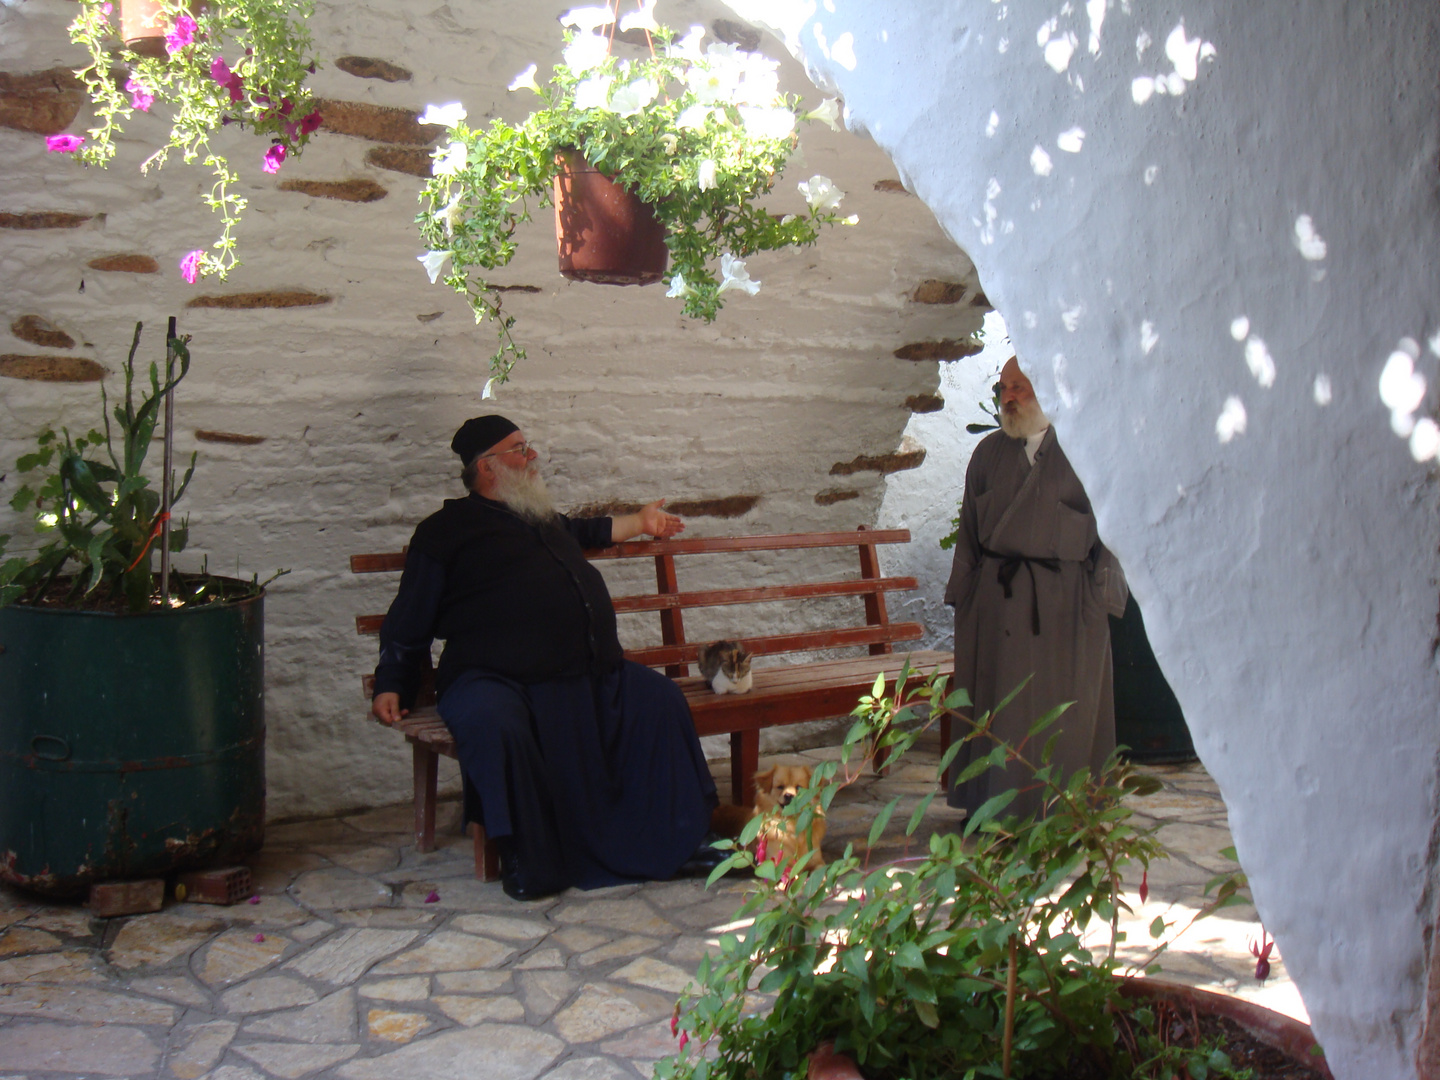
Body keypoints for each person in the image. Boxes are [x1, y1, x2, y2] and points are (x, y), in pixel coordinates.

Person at [371, 415, 724, 900]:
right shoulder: (444, 531)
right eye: (520, 449)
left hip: (585, 671)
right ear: (488, 466)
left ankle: (684, 840)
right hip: (495, 678)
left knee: (658, 700)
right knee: (494, 722)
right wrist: (392, 677)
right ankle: (527, 858)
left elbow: (589, 528)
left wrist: (641, 523)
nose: (532, 455)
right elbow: (409, 615)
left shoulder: (539, 517)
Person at [944, 357, 1128, 822]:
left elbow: (1114, 532)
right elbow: (969, 533)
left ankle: (1064, 809)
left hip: (1066, 607)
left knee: (1065, 712)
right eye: (1004, 387)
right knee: (997, 712)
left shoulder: (1087, 451)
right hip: (997, 606)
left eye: (1021, 387)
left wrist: (1098, 599)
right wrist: (965, 601)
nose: (1009, 397)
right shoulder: (987, 455)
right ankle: (993, 808)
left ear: (1046, 388)